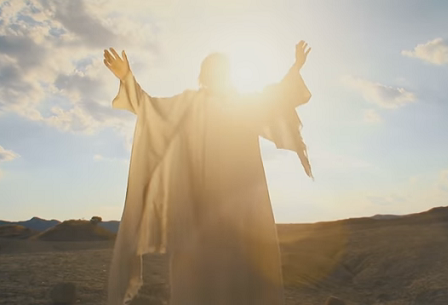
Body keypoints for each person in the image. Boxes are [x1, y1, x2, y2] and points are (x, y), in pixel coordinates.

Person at [104, 41, 312, 305]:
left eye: (221, 71)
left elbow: (279, 98)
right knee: (197, 281)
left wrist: (296, 67)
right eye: (212, 71)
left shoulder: (245, 105)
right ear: (204, 76)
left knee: (245, 278)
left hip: (242, 213)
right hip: (197, 213)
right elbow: (149, 108)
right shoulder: (188, 105)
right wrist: (126, 78)